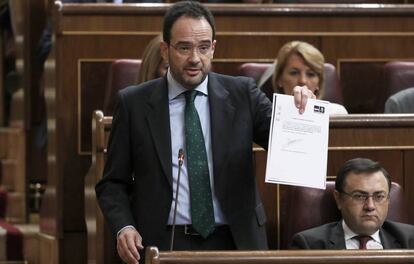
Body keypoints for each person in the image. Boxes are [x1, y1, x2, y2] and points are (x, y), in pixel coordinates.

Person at [95, 2, 315, 263]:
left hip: (235, 240)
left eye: (203, 47)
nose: (194, 58)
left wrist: (301, 110)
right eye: (184, 47)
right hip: (163, 241)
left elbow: (294, 152)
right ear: (165, 51)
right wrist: (124, 226)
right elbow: (112, 183)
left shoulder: (243, 94)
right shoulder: (134, 104)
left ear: (213, 48)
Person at [290, 158, 414, 249]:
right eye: (359, 196)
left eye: (379, 196)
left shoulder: (410, 240)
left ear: (388, 200)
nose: (370, 206)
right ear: (338, 199)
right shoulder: (309, 245)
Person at [258, 41, 347, 115]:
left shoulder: (336, 113)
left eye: (311, 74)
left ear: (319, 83)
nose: (302, 81)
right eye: (294, 73)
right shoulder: (264, 115)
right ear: (279, 80)